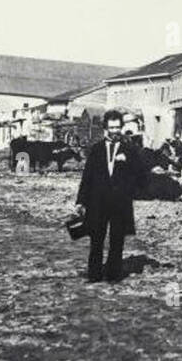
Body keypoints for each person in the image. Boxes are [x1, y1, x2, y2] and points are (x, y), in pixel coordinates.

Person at [74, 110, 142, 283]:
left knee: (117, 239)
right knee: (96, 239)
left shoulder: (130, 150)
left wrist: (128, 188)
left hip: (120, 203)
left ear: (121, 127)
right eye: (111, 127)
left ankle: (113, 274)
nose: (115, 131)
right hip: (97, 202)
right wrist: (80, 201)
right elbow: (87, 177)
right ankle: (95, 274)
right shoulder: (96, 150)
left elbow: (139, 175)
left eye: (118, 127)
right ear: (105, 128)